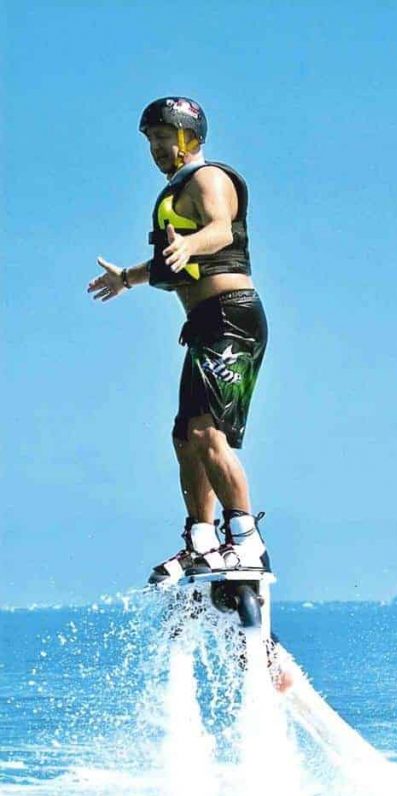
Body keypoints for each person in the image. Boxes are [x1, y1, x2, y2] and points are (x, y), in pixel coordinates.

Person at [87, 97, 270, 584]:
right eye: (150, 141)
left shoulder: (210, 179)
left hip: (233, 318)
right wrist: (127, 278)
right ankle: (202, 540)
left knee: (209, 435)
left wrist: (192, 242)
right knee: (185, 439)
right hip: (205, 323)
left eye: (163, 137)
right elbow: (172, 265)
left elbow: (219, 229)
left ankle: (246, 541)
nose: (155, 148)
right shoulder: (173, 194)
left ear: (189, 136)